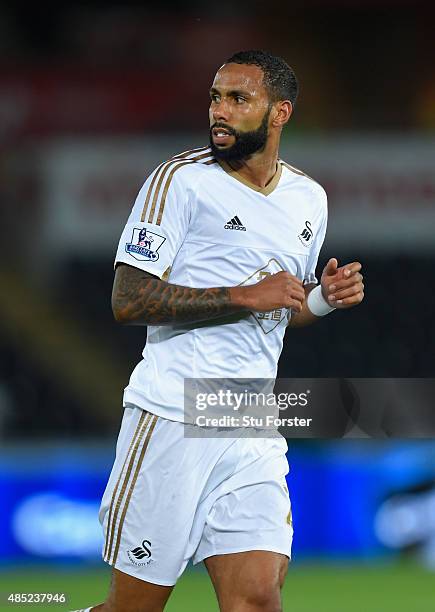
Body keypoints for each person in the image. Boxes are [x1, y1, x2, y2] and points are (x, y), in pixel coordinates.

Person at [84, 50, 364, 612]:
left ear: (279, 112)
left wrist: (321, 300)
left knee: (257, 599)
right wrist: (241, 295)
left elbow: (283, 308)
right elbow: (127, 299)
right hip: (172, 413)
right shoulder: (179, 182)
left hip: (248, 418)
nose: (220, 110)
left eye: (239, 99)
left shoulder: (309, 199)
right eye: (216, 97)